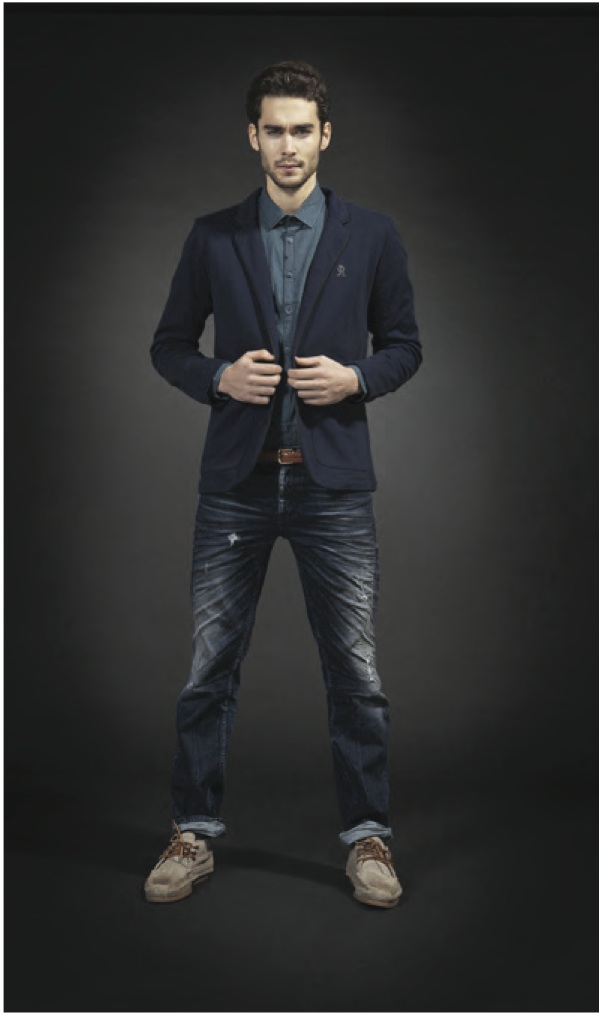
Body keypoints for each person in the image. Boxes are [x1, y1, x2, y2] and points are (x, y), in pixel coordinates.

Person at [145, 60, 422, 909]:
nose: (289, 145)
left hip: (334, 488)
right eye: (275, 130)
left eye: (303, 130)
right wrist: (218, 377)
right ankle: (193, 832)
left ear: (325, 135)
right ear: (253, 137)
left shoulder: (373, 235)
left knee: (357, 675)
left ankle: (368, 836)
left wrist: (358, 379)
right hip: (236, 483)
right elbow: (169, 345)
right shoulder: (213, 236)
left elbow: (405, 345)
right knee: (209, 669)